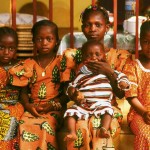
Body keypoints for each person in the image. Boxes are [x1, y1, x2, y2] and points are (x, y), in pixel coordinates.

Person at [60, 3, 132, 150]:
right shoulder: (72, 55)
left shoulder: (119, 56)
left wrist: (109, 72)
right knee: (79, 127)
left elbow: (121, 94)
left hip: (108, 106)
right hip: (82, 106)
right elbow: (67, 90)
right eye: (88, 25)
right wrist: (74, 94)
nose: (92, 29)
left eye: (98, 25)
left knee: (101, 126)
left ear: (107, 28)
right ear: (82, 28)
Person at [9, 20, 69, 150]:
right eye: (39, 39)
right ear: (33, 41)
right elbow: (23, 91)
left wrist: (53, 104)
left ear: (57, 41)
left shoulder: (62, 63)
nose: (44, 43)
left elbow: (67, 93)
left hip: (55, 109)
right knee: (23, 123)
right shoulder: (28, 63)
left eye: (49, 39)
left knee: (45, 124)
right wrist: (28, 105)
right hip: (33, 108)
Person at [64, 40, 129, 142]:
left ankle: (103, 129)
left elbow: (121, 77)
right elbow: (71, 86)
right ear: (84, 58)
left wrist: (123, 83)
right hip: (84, 104)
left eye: (97, 54)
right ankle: (72, 132)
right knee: (71, 112)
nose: (93, 57)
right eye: (89, 55)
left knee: (108, 111)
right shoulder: (81, 74)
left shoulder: (108, 71)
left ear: (104, 56)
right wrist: (73, 91)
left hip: (102, 103)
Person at [123, 20, 150, 150]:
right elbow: (130, 95)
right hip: (139, 113)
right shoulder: (133, 66)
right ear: (140, 41)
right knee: (145, 134)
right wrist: (144, 112)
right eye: (146, 42)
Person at [0, 26, 24, 149]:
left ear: (16, 49)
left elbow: (24, 91)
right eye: (1, 48)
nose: (6, 52)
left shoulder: (19, 67)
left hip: (13, 105)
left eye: (11, 48)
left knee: (7, 118)